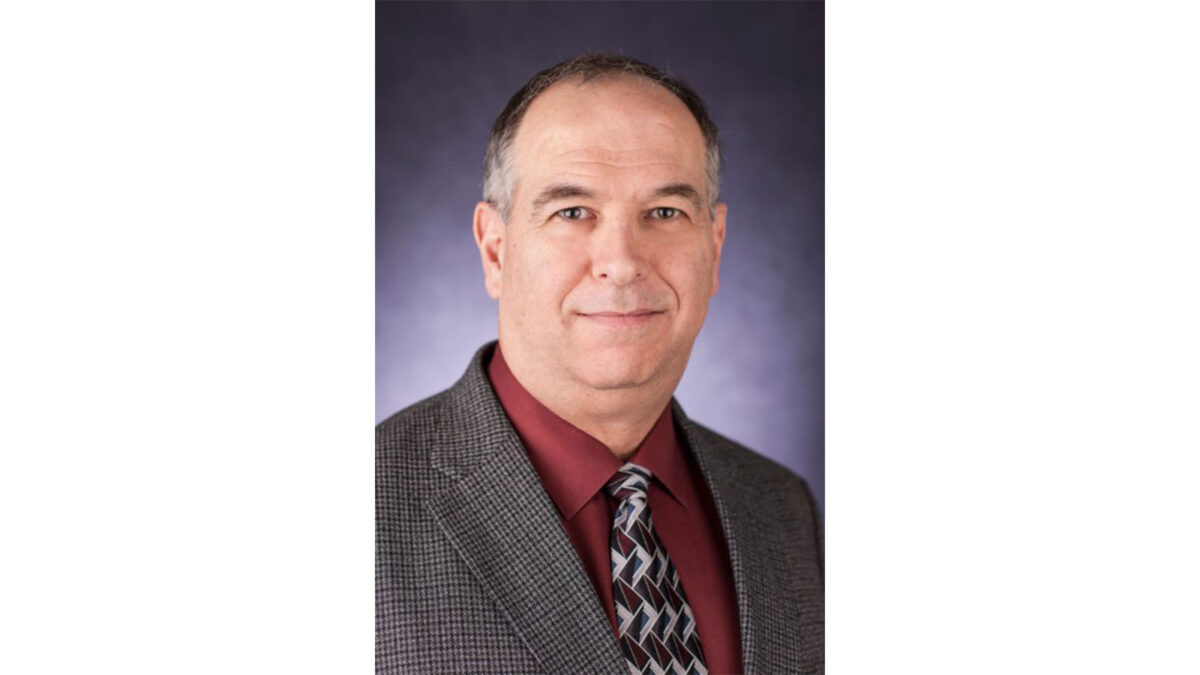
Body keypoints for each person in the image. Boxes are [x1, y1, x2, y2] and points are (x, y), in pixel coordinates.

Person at [377, 54, 823, 674]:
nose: (621, 261)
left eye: (665, 212)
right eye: (572, 211)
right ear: (496, 250)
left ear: (714, 249)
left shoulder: (782, 509)